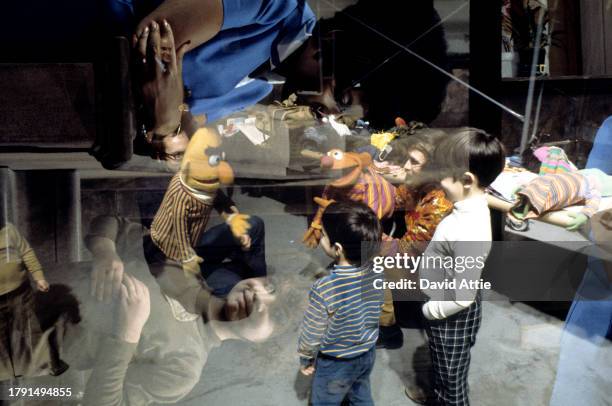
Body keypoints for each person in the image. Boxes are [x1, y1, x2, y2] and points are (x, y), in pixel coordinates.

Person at [114, 0, 449, 161]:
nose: (331, 116)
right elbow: (153, 42)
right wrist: (169, 125)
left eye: (348, 119)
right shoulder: (275, 7)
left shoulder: (257, 87)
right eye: (343, 101)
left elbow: (179, 141)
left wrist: (170, 128)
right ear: (336, 45)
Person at [64, 214, 273, 405]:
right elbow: (115, 223)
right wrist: (105, 250)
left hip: (35, 347)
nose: (259, 297)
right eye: (270, 287)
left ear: (259, 344)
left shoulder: (184, 369)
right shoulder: (186, 268)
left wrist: (127, 333)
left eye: (276, 313)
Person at [412, 129, 505, 405]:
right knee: (445, 365)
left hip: (450, 312)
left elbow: (462, 297)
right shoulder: (473, 201)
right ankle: (437, 391)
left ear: (467, 179)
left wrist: (432, 310)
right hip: (450, 298)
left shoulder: (469, 230)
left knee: (452, 381)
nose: (438, 181)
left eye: (443, 175)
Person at [298, 201, 383, 406]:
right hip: (367, 352)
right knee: (360, 391)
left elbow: (312, 330)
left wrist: (306, 357)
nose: (321, 238)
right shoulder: (377, 272)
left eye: (324, 235)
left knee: (325, 401)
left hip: (336, 362)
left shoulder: (325, 288)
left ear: (338, 248)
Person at [376, 133, 453, 350]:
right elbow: (395, 199)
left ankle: (388, 331)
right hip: (414, 255)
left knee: (369, 258)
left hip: (433, 270)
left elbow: (406, 250)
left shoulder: (439, 203)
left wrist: (371, 237)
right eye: (408, 159)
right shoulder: (417, 185)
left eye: (415, 162)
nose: (406, 167)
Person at [0, 221, 66, 379]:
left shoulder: (8, 230)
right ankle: (9, 373)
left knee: (32, 329)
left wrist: (39, 278)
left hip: (21, 291)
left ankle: (50, 364)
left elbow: (27, 253)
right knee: (3, 338)